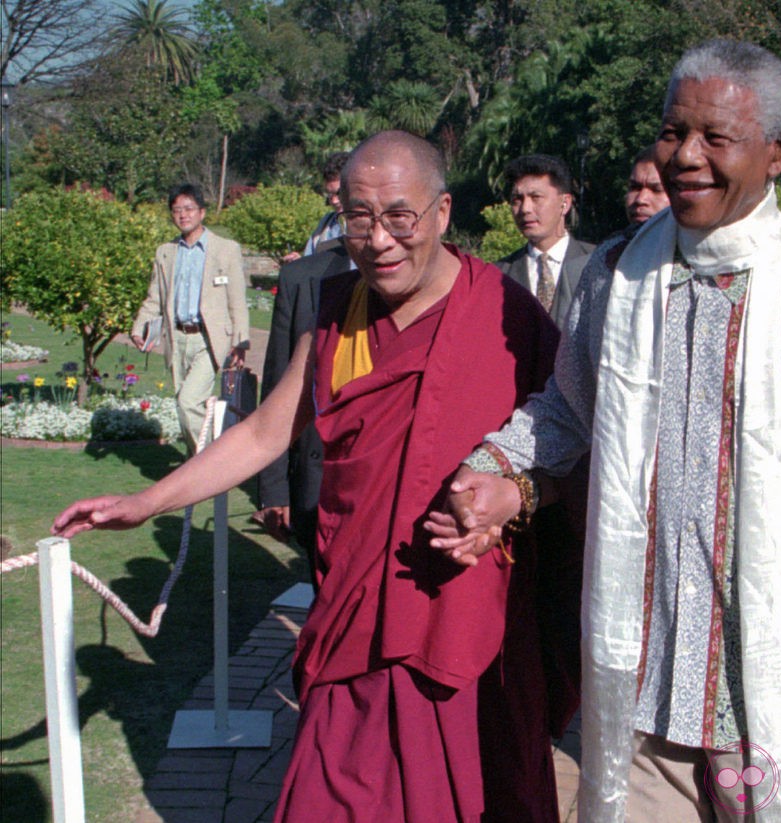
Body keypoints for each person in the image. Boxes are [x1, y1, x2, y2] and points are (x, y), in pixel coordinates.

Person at [427, 40, 781, 822]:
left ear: (777, 153)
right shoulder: (618, 275)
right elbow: (568, 409)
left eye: (715, 138)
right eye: (672, 132)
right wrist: (499, 464)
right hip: (641, 675)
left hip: (768, 696)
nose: (684, 157)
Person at [54, 130, 567, 823]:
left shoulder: (508, 316)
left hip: (462, 619)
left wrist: (512, 500)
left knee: (475, 794)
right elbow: (267, 430)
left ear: (443, 213)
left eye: (399, 216)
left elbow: (569, 451)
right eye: (359, 217)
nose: (379, 239)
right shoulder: (338, 313)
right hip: (354, 615)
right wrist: (147, 500)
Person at [253, 243, 352, 575]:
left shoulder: (440, 280)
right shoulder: (302, 278)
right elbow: (277, 390)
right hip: (316, 485)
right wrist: (274, 490)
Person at [131, 184, 249, 454]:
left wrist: (240, 342)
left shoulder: (225, 249)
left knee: (189, 402)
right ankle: (197, 462)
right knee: (185, 406)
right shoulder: (165, 252)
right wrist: (140, 327)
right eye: (177, 210)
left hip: (210, 340)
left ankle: (207, 465)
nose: (183, 215)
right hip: (177, 339)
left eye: (188, 209)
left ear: (202, 212)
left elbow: (237, 300)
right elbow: (155, 297)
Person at [495, 154, 595, 326]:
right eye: (517, 200)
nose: (525, 209)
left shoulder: (596, 262)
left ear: (565, 203)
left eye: (536, 198)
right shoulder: (499, 274)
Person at [281, 151, 350, 263]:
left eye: (339, 193)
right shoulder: (325, 225)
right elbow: (312, 262)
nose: (334, 201)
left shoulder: (371, 223)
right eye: (329, 195)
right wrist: (299, 263)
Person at [625, 144, 671, 227]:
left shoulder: (698, 239)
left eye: (656, 190)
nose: (640, 200)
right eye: (634, 188)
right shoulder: (615, 239)